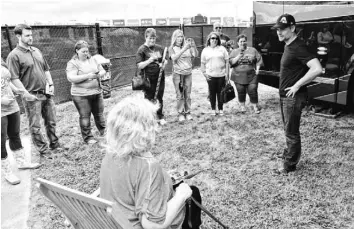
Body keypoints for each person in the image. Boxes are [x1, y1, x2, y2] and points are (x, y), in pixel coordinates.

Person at [100, 96, 201, 229]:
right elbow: (152, 226)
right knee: (192, 192)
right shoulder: (148, 166)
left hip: (116, 221)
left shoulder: (110, 154)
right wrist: (182, 195)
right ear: (144, 129)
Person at [272, 14, 322, 174]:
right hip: (286, 96)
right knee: (288, 129)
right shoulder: (288, 45)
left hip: (293, 97)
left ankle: (289, 165)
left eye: (283, 29)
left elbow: (317, 68)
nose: (279, 32)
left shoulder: (299, 46)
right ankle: (288, 154)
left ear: (293, 28)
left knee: (291, 131)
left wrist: (296, 85)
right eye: (277, 29)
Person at [6, 24, 63, 159]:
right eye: (27, 35)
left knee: (51, 121)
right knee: (35, 126)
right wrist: (26, 94)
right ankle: (44, 151)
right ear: (18, 36)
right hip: (32, 96)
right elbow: (13, 78)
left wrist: (51, 84)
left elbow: (46, 69)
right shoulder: (14, 56)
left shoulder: (36, 50)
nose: (31, 37)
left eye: (31, 35)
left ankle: (55, 144)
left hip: (46, 94)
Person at [1, 59, 41, 185]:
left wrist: (16, 90)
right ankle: (7, 172)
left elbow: (6, 81)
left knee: (15, 134)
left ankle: (22, 162)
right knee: (1, 140)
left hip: (12, 105)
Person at [66, 40, 106, 144]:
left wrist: (98, 74)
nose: (86, 53)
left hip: (96, 92)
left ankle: (104, 132)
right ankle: (88, 137)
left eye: (87, 51)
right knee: (85, 116)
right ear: (77, 51)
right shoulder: (73, 63)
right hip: (81, 95)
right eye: (83, 51)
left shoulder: (93, 60)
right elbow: (71, 78)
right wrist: (88, 76)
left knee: (99, 114)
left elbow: (102, 70)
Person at [136, 28, 168, 125]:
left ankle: (159, 116)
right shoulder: (141, 50)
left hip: (160, 77)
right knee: (149, 98)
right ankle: (149, 118)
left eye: (154, 38)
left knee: (159, 97)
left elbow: (165, 59)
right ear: (146, 37)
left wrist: (164, 64)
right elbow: (139, 65)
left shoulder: (159, 48)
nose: (152, 40)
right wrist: (149, 60)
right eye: (150, 38)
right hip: (148, 79)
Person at [169, 29, 198, 122]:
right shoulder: (172, 48)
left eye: (181, 36)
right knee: (180, 95)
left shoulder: (187, 46)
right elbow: (174, 58)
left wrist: (193, 46)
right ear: (174, 38)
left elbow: (195, 55)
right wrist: (184, 49)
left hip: (188, 73)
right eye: (178, 36)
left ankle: (188, 112)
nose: (180, 38)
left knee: (188, 94)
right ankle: (181, 113)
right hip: (178, 74)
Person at [229, 34, 263, 113]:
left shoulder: (253, 50)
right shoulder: (234, 52)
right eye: (241, 41)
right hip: (238, 76)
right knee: (240, 90)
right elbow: (231, 63)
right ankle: (242, 106)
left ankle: (255, 106)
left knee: (252, 90)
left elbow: (259, 59)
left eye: (244, 41)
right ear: (237, 43)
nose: (242, 43)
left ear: (246, 42)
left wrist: (257, 69)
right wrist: (238, 57)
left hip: (251, 75)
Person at [201, 32, 229, 116]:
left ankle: (220, 109)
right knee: (212, 93)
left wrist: (227, 74)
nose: (215, 40)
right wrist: (204, 73)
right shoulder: (205, 50)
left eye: (216, 38)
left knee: (221, 93)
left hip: (221, 75)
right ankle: (213, 109)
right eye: (213, 38)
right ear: (209, 39)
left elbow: (227, 62)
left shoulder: (222, 49)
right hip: (211, 76)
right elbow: (202, 63)